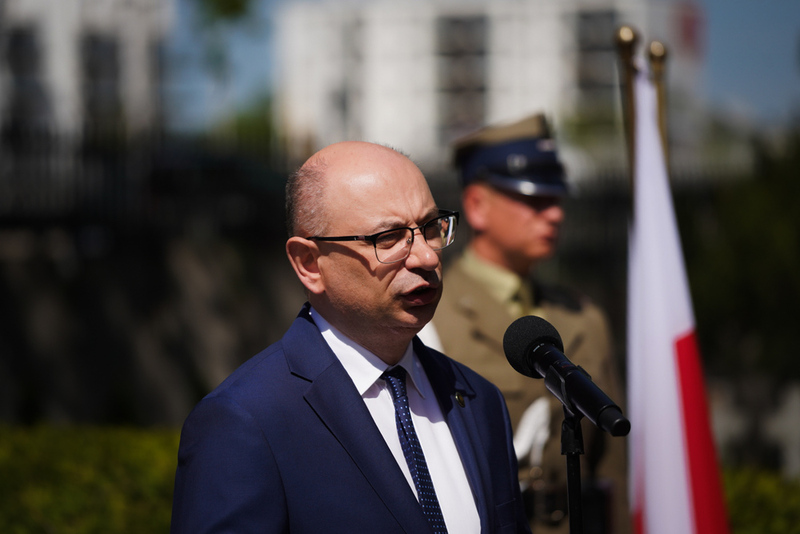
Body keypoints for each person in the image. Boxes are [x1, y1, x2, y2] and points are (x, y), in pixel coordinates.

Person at [171, 141, 531, 534]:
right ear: (309, 263)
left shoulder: (478, 399)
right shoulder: (245, 420)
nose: (427, 257)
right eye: (389, 237)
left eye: (430, 228)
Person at [419, 114, 630, 534]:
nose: (554, 214)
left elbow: (612, 472)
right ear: (477, 206)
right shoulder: (428, 315)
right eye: (533, 200)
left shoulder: (584, 317)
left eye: (557, 199)